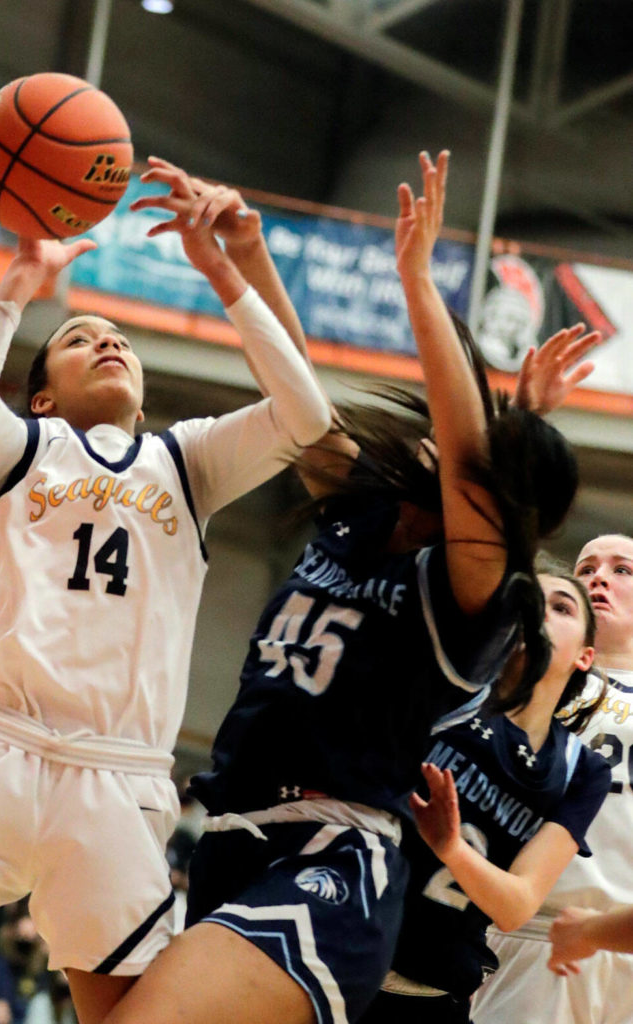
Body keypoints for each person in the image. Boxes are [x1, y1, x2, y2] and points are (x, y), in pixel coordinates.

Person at [0, 158, 332, 1024]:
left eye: (119, 338)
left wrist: (226, 273)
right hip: (3, 755)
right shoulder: (21, 450)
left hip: (119, 787)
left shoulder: (186, 461)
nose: (109, 341)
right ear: (43, 396)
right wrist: (21, 282)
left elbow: (306, 417)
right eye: (81, 336)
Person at [95, 150, 581, 1024]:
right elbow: (298, 396)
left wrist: (419, 286)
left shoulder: (471, 589)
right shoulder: (364, 512)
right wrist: (246, 255)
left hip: (334, 861)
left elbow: (477, 462)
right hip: (233, 840)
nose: (439, 431)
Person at [358, 568, 611, 1023]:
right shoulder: (450, 691)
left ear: (585, 656)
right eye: (528, 600)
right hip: (338, 950)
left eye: (560, 607)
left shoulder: (582, 770)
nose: (539, 612)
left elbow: (516, 906)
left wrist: (452, 849)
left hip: (426, 995)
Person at [472, 533, 633, 1024]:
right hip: (529, 932)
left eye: (622, 569)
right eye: (586, 570)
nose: (598, 577)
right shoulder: (515, 686)